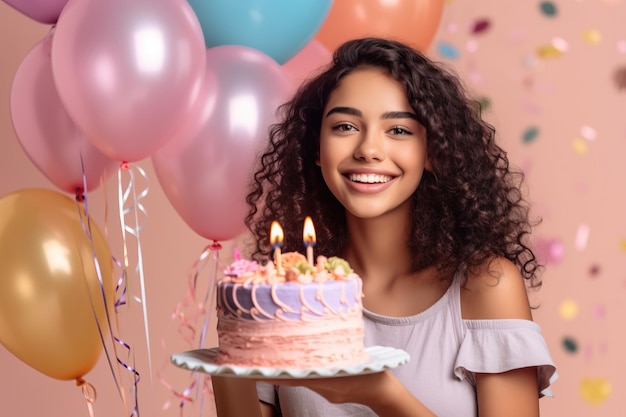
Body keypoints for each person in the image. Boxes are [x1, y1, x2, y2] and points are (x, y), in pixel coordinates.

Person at [211, 37, 557, 417]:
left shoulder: (485, 286)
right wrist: (233, 350)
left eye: (399, 131)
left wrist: (382, 394)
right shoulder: (286, 295)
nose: (368, 149)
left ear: (433, 152)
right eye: (345, 126)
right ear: (315, 147)